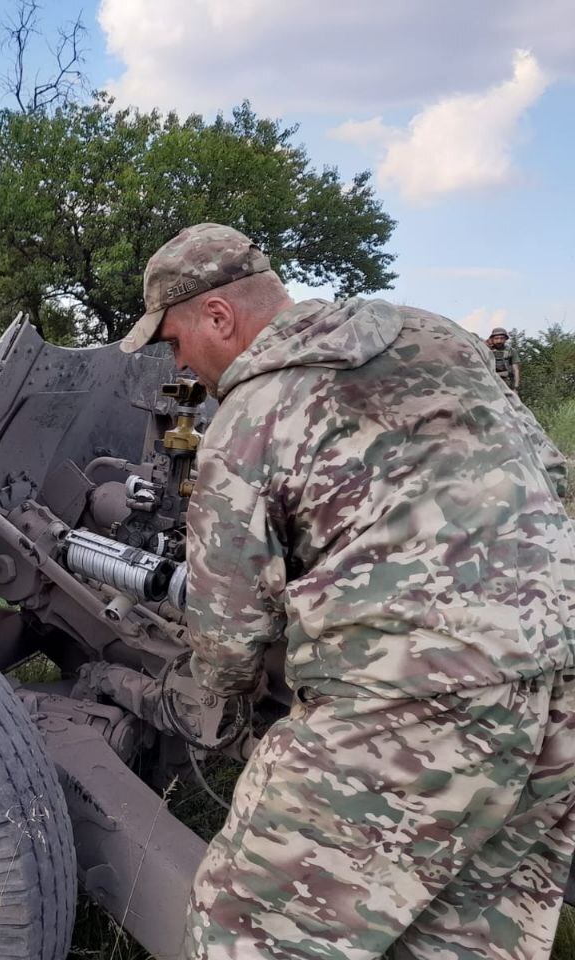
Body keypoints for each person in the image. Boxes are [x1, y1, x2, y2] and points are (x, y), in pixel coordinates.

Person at [120, 223, 575, 959]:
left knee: (245, 927)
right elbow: (549, 475)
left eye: (174, 343)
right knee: (456, 935)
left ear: (219, 317)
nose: (180, 365)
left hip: (414, 702)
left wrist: (225, 705)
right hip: (556, 677)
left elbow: (229, 634)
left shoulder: (250, 413)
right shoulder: (435, 339)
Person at [487, 326, 521, 392]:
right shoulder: (487, 350)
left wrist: (516, 386)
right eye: (496, 338)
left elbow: (516, 370)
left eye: (502, 338)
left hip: (507, 382)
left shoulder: (511, 351)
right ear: (492, 339)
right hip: (491, 382)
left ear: (505, 339)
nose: (499, 341)